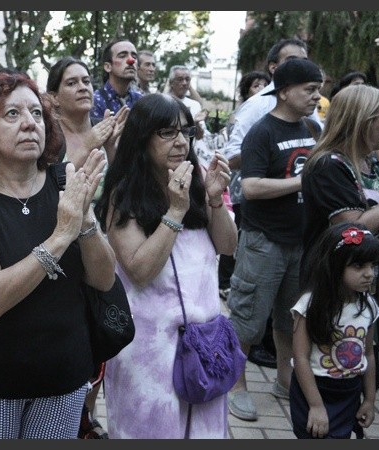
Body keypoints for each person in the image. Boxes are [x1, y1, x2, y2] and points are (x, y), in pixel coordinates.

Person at [0, 71, 116, 439]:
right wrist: (60, 237)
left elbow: (103, 279)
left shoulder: (64, 182)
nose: (29, 124)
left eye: (36, 114)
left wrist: (83, 221)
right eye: (12, 115)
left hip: (63, 375)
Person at [94, 93, 236, 438]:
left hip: (205, 349)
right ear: (142, 138)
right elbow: (139, 270)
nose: (181, 142)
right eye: (167, 133)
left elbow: (228, 246)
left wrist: (215, 201)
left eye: (185, 132)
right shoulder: (123, 195)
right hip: (150, 353)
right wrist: (174, 212)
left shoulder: (195, 182)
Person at [225, 58, 324, 422]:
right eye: (309, 89)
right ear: (284, 92)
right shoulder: (262, 133)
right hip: (262, 241)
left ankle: (285, 379)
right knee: (248, 318)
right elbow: (250, 187)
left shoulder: (313, 128)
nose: (317, 96)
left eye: (319, 89)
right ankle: (236, 386)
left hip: (300, 241)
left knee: (290, 318)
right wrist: (303, 182)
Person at [45, 56, 128, 439]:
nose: (83, 87)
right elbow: (53, 188)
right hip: (59, 246)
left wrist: (114, 147)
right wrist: (90, 145)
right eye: (71, 82)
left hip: (98, 245)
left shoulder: (102, 129)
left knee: (99, 336)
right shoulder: (49, 136)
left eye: (86, 80)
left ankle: (86, 418)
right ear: (54, 97)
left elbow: (114, 189)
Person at [301, 84, 379, 389]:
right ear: (364, 122)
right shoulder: (328, 165)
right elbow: (354, 229)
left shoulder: (370, 159)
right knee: (333, 371)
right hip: (333, 286)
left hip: (361, 281)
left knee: (359, 365)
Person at [290, 222, 379, 439]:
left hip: (349, 391)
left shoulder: (369, 306)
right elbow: (300, 358)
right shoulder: (309, 305)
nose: (369, 274)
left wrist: (369, 400)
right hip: (313, 389)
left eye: (372, 265)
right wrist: (316, 406)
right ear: (335, 266)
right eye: (359, 266)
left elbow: (368, 354)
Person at [219, 70, 270, 298]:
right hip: (240, 182)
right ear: (246, 89)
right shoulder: (244, 113)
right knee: (234, 230)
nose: (261, 90)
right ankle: (224, 281)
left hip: (259, 180)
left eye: (265, 85)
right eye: (255, 85)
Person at [90, 39, 143, 122]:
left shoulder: (141, 101)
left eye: (134, 57)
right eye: (122, 56)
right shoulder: (94, 101)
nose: (131, 61)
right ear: (108, 67)